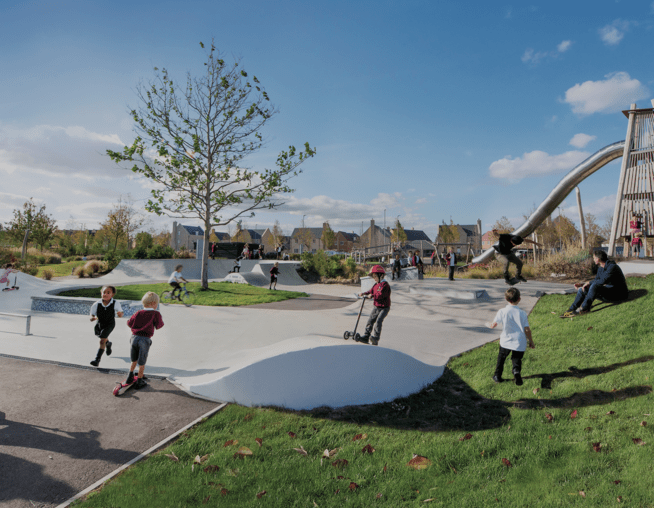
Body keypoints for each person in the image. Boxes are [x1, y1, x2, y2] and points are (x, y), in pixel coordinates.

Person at [561, 250, 628, 317]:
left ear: (598, 259)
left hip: (618, 294)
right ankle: (572, 309)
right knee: (582, 289)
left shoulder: (612, 267)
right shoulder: (601, 268)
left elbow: (602, 281)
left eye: (594, 258)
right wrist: (582, 284)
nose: (593, 259)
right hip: (609, 291)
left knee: (594, 286)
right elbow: (596, 280)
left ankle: (584, 309)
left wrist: (589, 283)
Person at [489, 287, 534, 386]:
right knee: (516, 359)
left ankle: (497, 376)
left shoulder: (502, 311)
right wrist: (531, 341)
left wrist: (493, 324)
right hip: (519, 341)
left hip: (506, 341)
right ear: (519, 299)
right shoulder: (522, 313)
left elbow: (495, 322)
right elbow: (527, 329)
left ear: (506, 299)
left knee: (501, 358)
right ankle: (516, 371)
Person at [125, 292, 164, 389]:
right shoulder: (156, 314)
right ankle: (139, 381)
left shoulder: (138, 313)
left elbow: (129, 323)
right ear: (154, 304)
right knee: (142, 362)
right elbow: (159, 325)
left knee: (134, 359)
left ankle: (129, 376)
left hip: (133, 337)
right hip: (144, 340)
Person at [89, 286, 124, 367]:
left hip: (110, 324)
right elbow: (92, 314)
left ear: (112, 294)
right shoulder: (97, 304)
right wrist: (92, 318)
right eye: (104, 292)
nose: (105, 294)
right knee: (103, 338)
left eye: (108, 293)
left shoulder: (115, 303)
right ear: (101, 293)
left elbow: (121, 313)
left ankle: (97, 360)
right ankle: (108, 344)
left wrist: (120, 314)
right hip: (100, 324)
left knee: (102, 340)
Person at [356, 265, 391, 346]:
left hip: (384, 308)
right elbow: (370, 291)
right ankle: (366, 336)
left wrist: (372, 296)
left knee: (378, 321)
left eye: (375, 276)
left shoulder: (385, 285)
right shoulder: (376, 285)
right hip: (376, 306)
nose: (374, 278)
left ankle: (375, 338)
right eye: (373, 276)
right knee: (371, 320)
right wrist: (364, 293)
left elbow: (381, 295)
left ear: (381, 275)